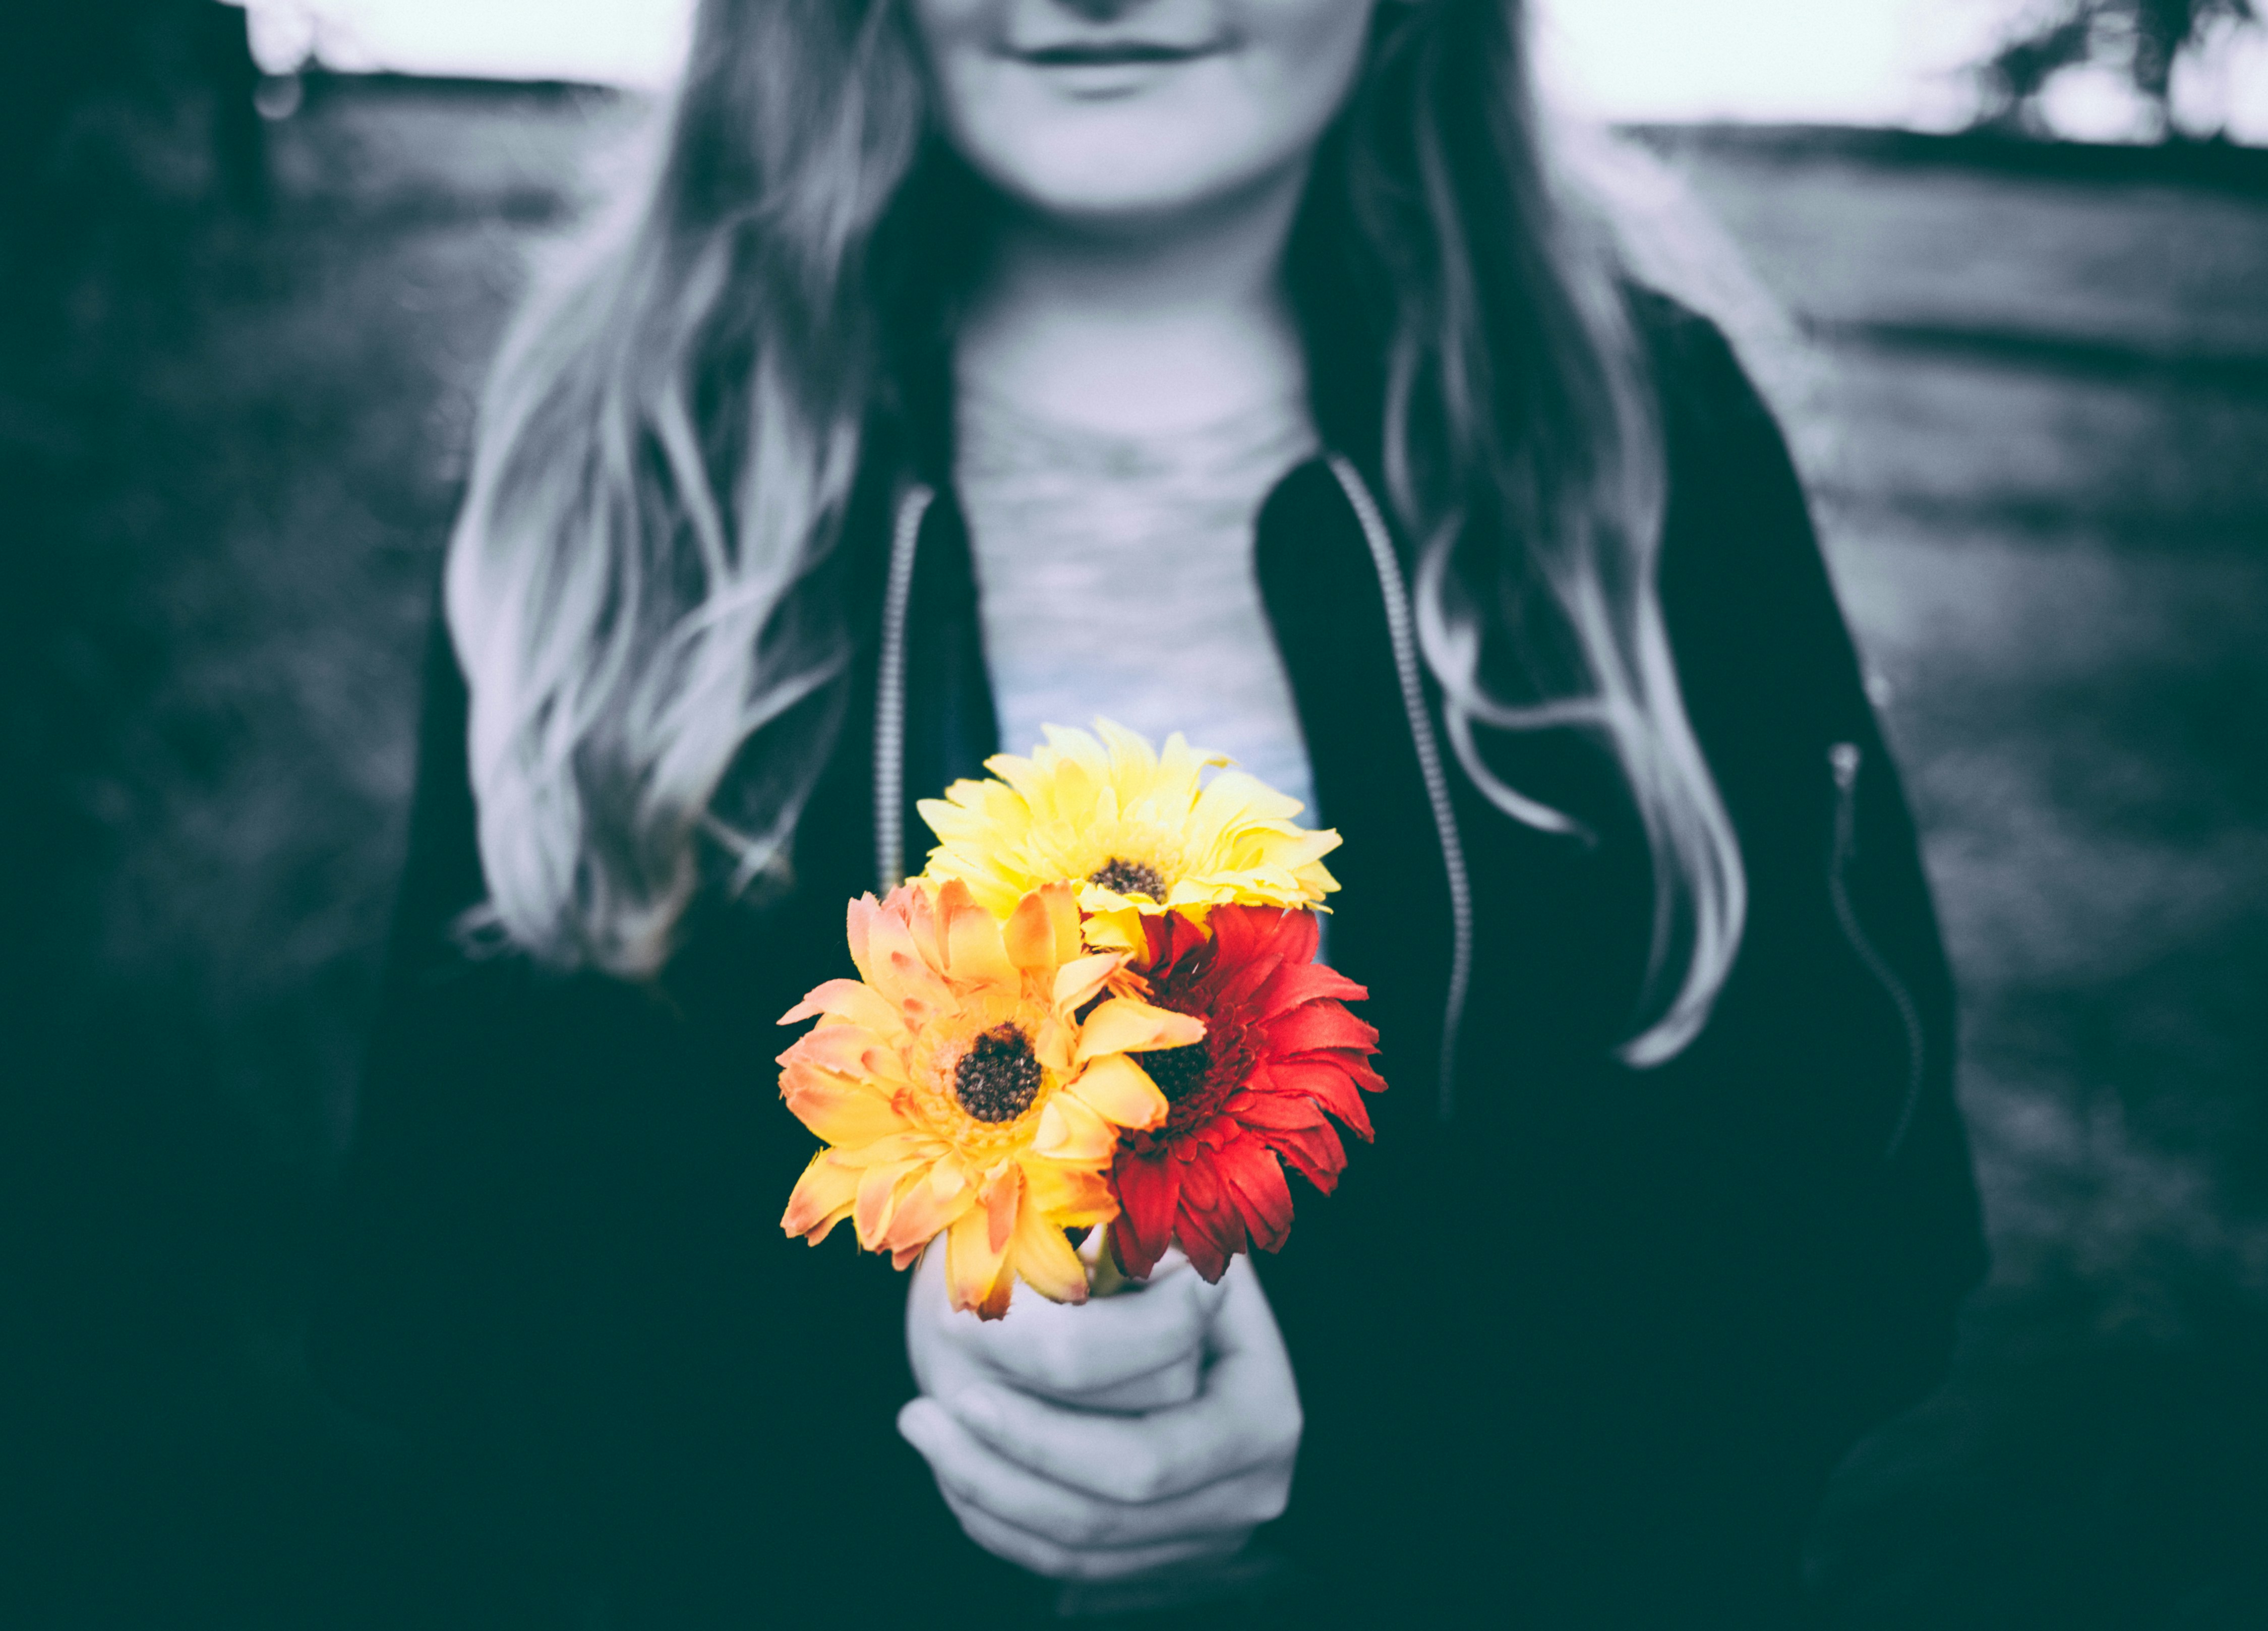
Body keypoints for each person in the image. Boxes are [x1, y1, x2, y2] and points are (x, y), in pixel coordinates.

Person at [313, 1, 1989, 1626]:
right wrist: (920, 1371)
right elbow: (449, 1275)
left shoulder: (1644, 442)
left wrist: (1369, 1422)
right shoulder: (626, 453)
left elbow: (1852, 1217)